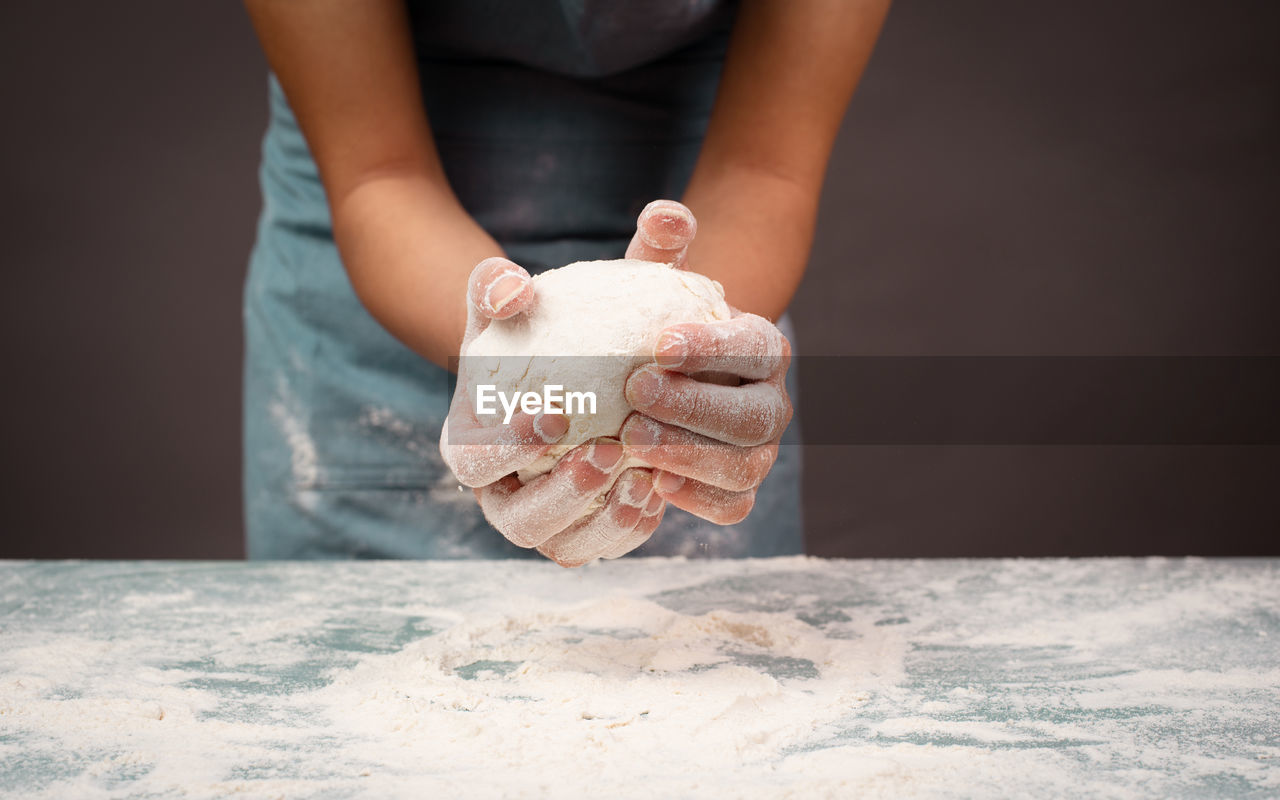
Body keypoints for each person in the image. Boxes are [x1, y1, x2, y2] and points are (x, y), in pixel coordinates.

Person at [242, 0, 890, 562]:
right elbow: (379, 177)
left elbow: (764, 172)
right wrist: (502, 362)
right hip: (386, 294)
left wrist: (700, 357)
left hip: (710, 256)